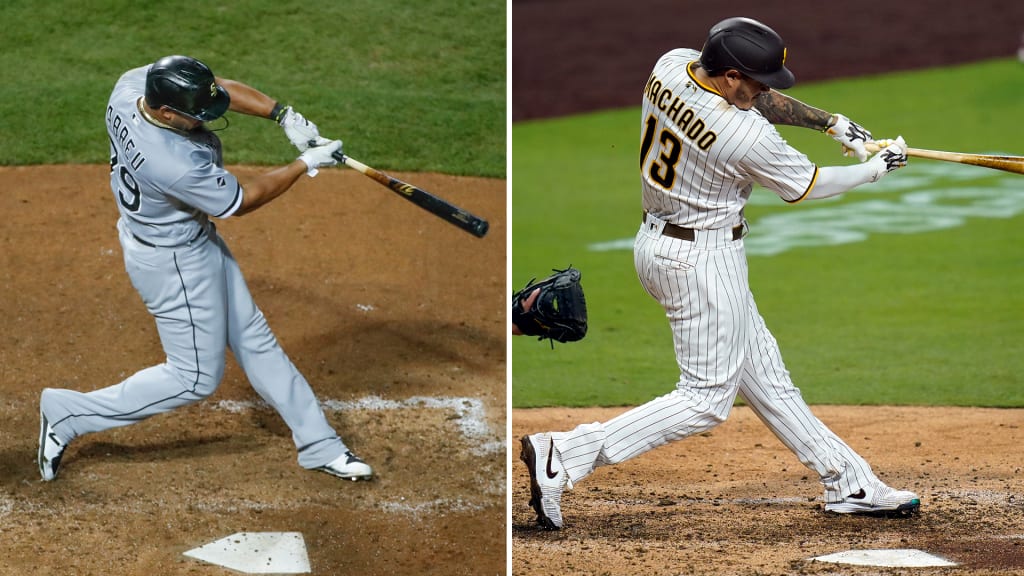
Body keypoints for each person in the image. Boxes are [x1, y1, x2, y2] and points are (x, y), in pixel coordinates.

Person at [520, 17, 917, 530]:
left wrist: (831, 123)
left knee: (767, 376)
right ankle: (566, 453)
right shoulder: (741, 133)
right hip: (700, 261)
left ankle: (849, 481)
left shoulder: (671, 65)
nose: (764, 90)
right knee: (706, 400)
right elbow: (808, 185)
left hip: (660, 245)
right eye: (755, 80)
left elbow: (757, 98)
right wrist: (879, 165)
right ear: (730, 76)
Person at [38, 55, 373, 482]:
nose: (204, 119)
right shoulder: (172, 163)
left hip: (189, 241)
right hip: (173, 262)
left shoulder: (131, 87)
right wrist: (305, 164)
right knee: (194, 378)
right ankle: (68, 413)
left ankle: (320, 445)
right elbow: (242, 200)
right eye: (194, 115)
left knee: (256, 341)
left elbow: (216, 89)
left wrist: (282, 115)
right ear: (165, 112)